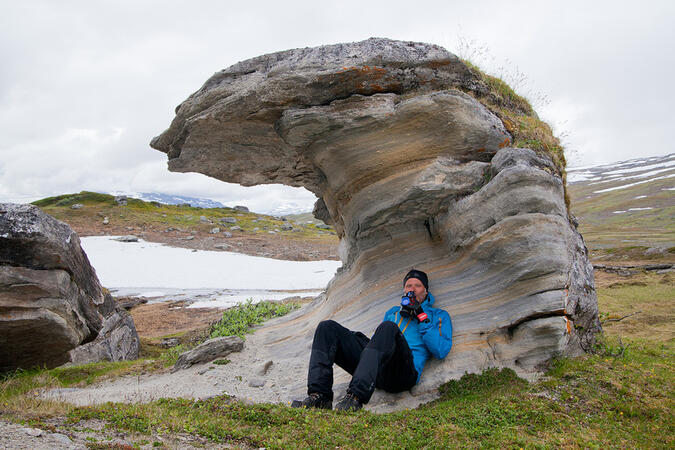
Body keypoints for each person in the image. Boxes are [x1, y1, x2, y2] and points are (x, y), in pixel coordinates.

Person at [292, 269, 452, 411]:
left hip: (403, 373)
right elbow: (379, 342)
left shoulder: (438, 316)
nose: (412, 289)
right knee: (327, 327)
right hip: (378, 370)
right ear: (404, 290)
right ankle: (319, 397)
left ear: (426, 291)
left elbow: (440, 351)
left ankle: (355, 397)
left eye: (418, 285)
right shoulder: (393, 312)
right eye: (408, 285)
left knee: (388, 327)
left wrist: (421, 315)